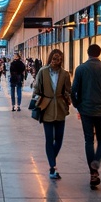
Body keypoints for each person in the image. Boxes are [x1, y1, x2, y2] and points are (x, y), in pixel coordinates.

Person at [71, 43, 101, 189]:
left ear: (87, 53)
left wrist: (78, 106)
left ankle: (93, 173)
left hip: (86, 110)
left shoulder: (80, 69)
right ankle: (97, 160)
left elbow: (73, 91)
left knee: (89, 140)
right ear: (100, 53)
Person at [32, 48, 73, 179]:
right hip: (47, 108)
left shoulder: (65, 74)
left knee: (59, 139)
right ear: (50, 58)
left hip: (60, 108)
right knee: (49, 138)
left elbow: (68, 90)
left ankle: (51, 159)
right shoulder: (43, 72)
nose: (57, 61)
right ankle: (52, 167)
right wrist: (36, 102)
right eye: (55, 58)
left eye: (60, 58)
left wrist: (68, 99)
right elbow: (37, 88)